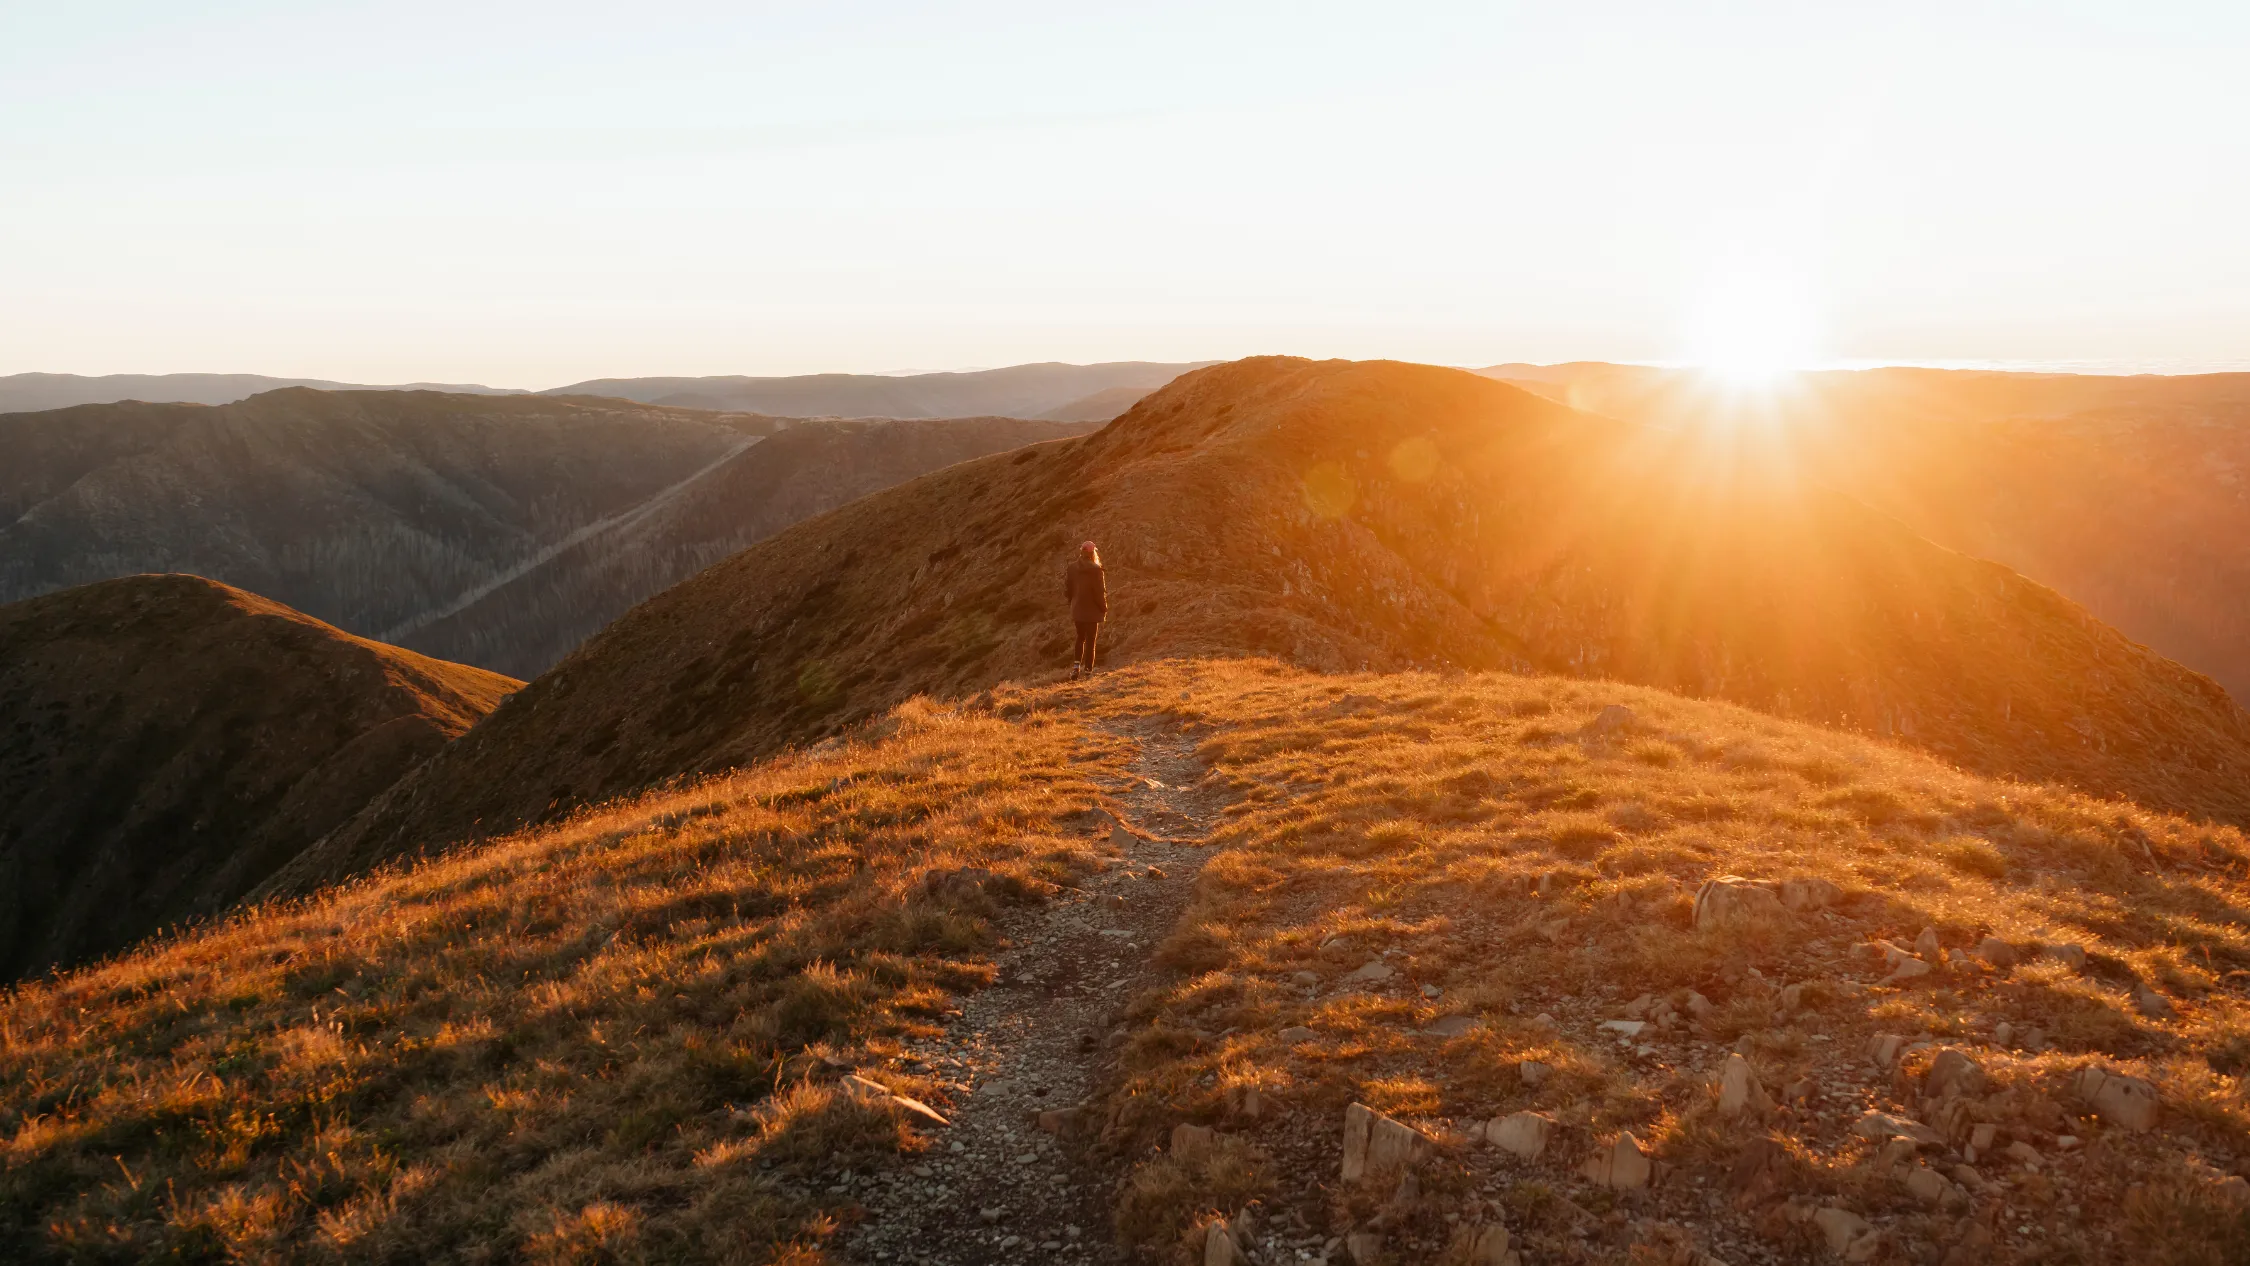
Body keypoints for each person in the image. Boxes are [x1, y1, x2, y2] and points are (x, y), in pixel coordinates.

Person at [1063, 540, 1107, 678]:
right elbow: (1099, 592)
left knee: (1080, 638)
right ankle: (1088, 670)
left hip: (1077, 609)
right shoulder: (1096, 569)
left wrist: (1072, 603)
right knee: (1091, 640)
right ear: (1093, 552)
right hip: (1092, 609)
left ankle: (1076, 669)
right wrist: (1103, 608)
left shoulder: (1071, 568)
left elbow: (1068, 590)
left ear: (1081, 551)